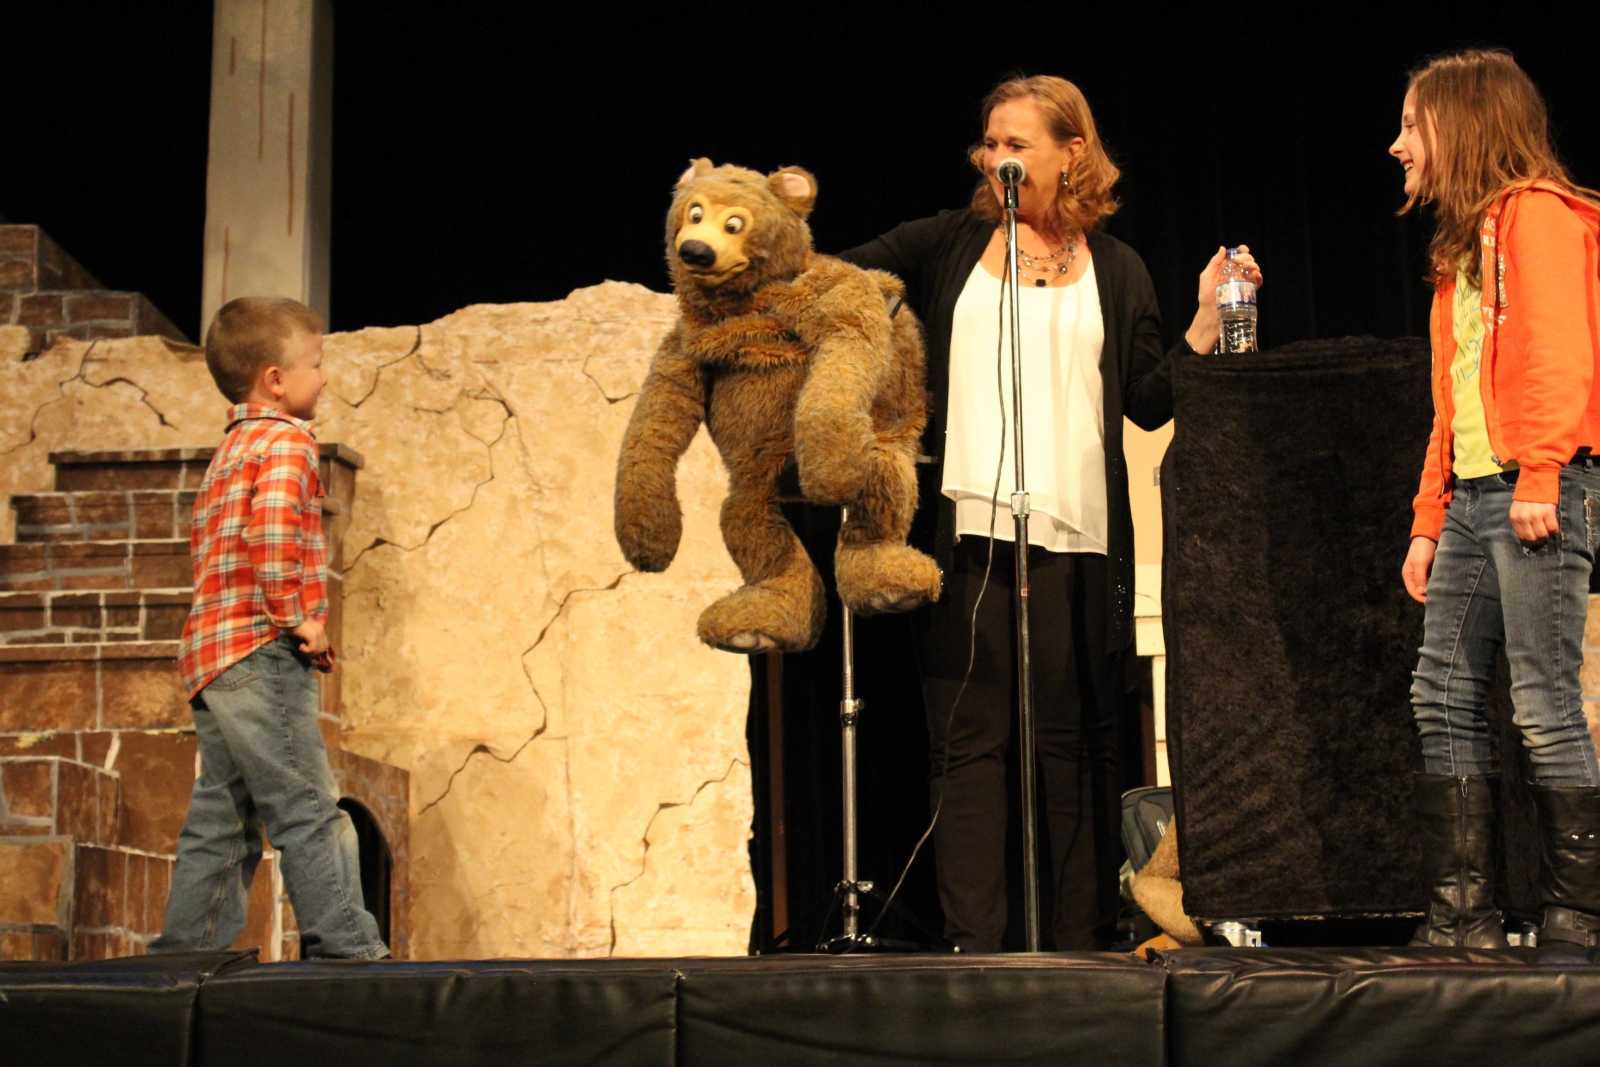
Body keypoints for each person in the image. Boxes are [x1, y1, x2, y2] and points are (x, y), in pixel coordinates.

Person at [840, 74, 1261, 952]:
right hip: (970, 532)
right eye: (990, 143)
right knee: (970, 745)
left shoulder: (1118, 269)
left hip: (1080, 539)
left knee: (1074, 748)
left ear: (1073, 152)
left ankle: (1080, 946)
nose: (998, 158)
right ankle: (976, 949)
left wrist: (1200, 324)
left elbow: (1147, 401)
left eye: (1018, 144)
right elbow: (840, 283)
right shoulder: (947, 244)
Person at [1396, 49, 1600, 950]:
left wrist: (1544, 471)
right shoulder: (1462, 249)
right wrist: (1428, 518)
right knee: (1439, 692)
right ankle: (1462, 915)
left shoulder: (1539, 216)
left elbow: (1560, 351)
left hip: (1535, 490)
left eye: (1413, 124)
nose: (1399, 144)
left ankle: (1577, 917)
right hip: (1473, 501)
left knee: (1543, 703)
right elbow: (1451, 399)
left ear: (1465, 123)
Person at [150, 297, 388, 960]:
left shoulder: (230, 451)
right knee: (307, 805)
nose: (325, 376)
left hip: (214, 658)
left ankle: (186, 957)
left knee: (222, 817)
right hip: (260, 648)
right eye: (316, 363)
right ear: (275, 380)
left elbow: (211, 550)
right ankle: (348, 948)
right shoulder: (287, 442)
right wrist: (299, 618)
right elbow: (273, 537)